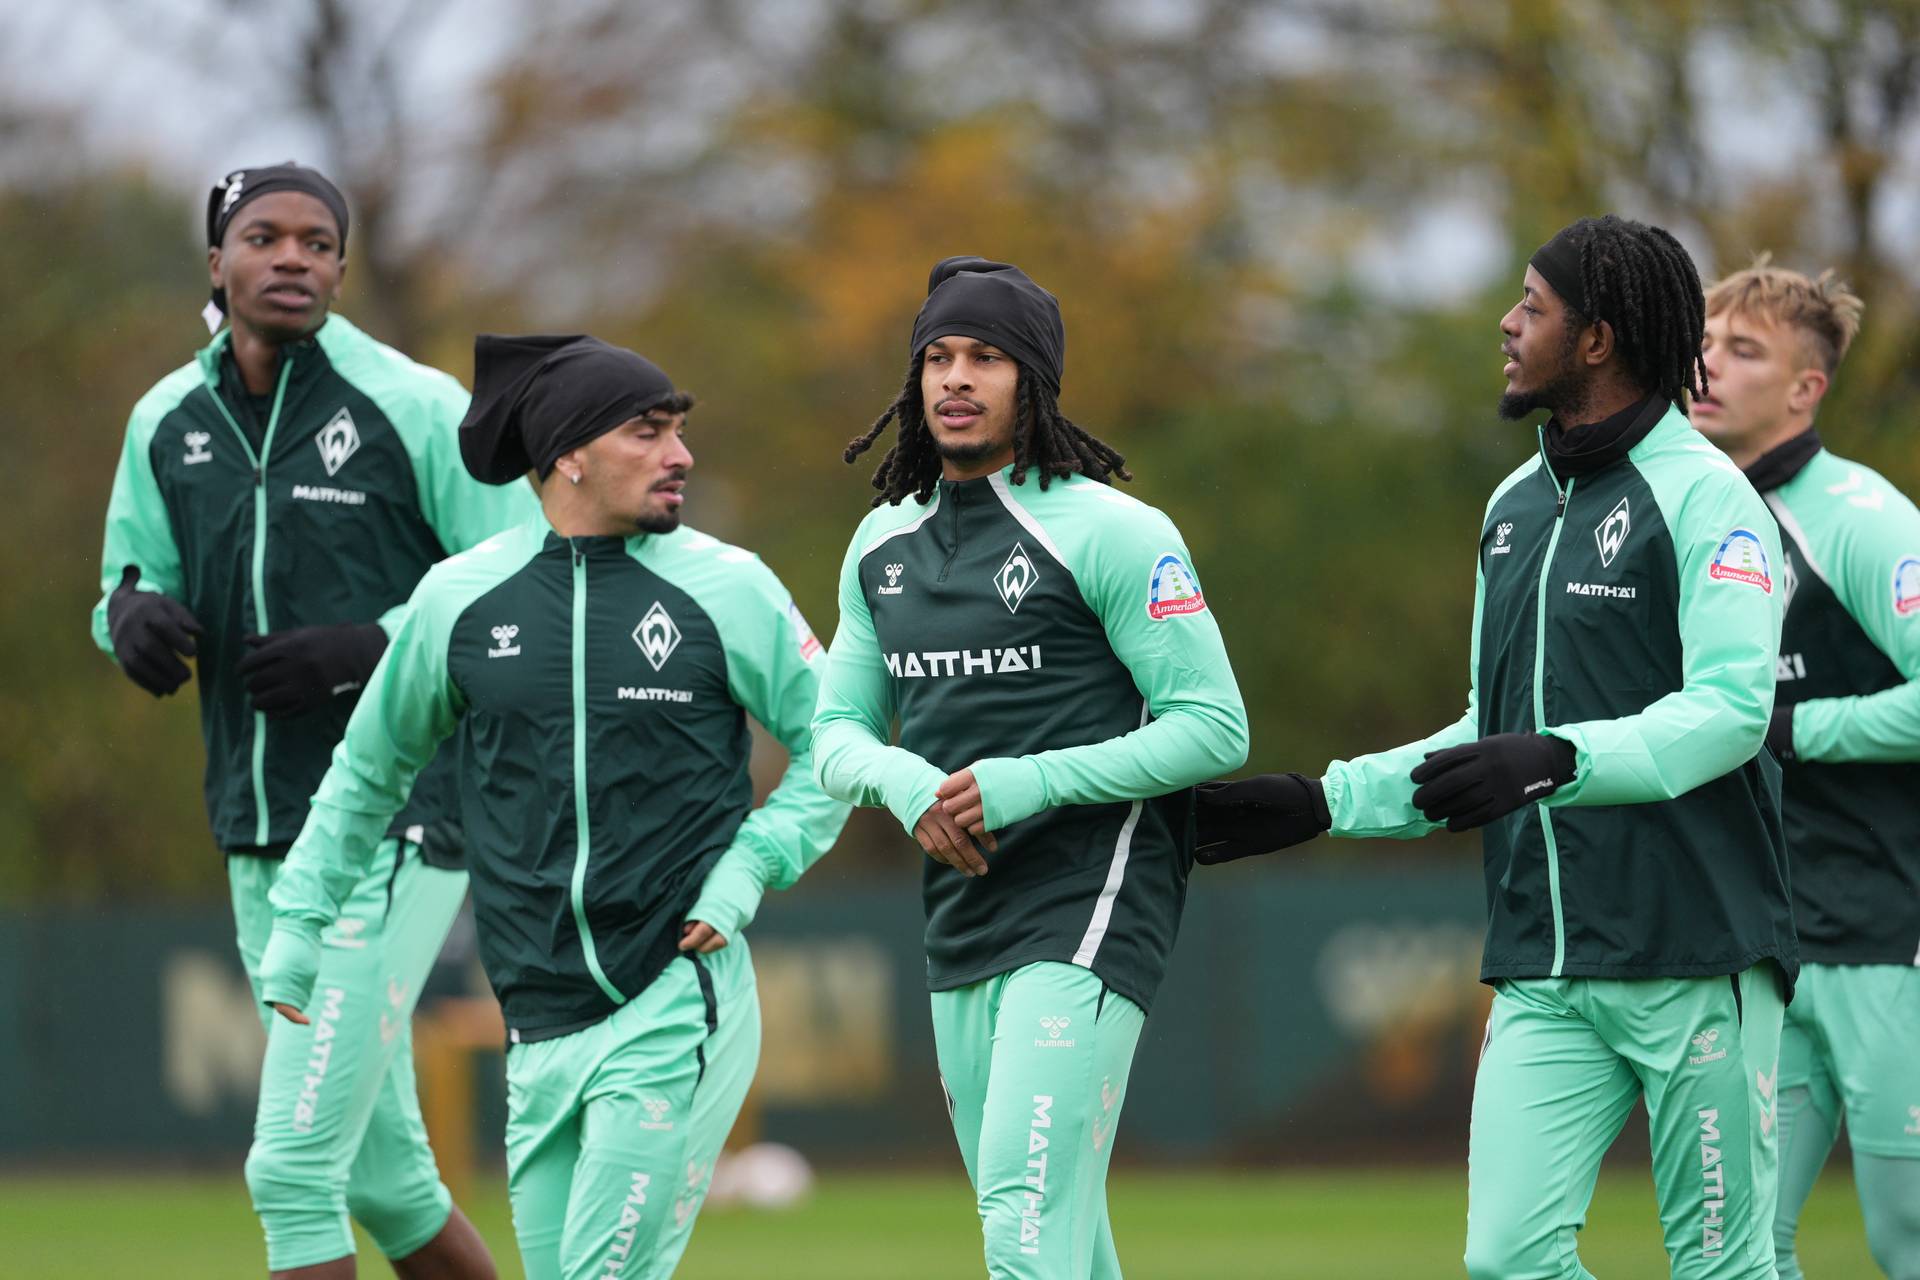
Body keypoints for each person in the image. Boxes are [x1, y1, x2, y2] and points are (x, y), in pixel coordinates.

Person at [1196, 216, 1797, 1279]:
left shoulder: (1711, 498)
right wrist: (1323, 799)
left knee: (1727, 1268)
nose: (1508, 323)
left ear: (1600, 336)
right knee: (1507, 1259)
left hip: (1697, 954)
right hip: (1543, 965)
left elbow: (1732, 709)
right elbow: (1490, 729)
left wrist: (1559, 756)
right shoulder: (1513, 506)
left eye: (1533, 305)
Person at [257, 333, 849, 1280]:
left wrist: (752, 865)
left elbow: (840, 744)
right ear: (566, 453)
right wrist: (303, 916)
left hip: (669, 1003)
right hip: (535, 1030)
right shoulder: (457, 599)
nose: (681, 456)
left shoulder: (730, 586)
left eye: (680, 432)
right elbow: (367, 772)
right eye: (648, 432)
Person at [92, 162, 527, 1278]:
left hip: (396, 822)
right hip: (253, 826)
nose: (294, 257)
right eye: (265, 235)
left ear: (340, 265)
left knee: (290, 1169)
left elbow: (522, 577)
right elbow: (125, 578)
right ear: (216, 262)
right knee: (387, 1181)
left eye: (319, 241)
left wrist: (371, 646)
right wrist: (129, 616)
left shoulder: (417, 406)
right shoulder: (165, 420)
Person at [812, 256, 1249, 1279]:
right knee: (1059, 1232)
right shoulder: (880, 543)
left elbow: (1214, 727)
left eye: (986, 357)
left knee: (1020, 1218)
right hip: (962, 903)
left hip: (1093, 892)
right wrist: (908, 784)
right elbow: (834, 734)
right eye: (938, 356)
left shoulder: (1114, 529)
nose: (955, 379)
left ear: (1035, 380)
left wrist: (1029, 781)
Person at [1693, 258, 1920, 1280]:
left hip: (1891, 938)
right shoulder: (1688, 519)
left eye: (1744, 351)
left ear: (1805, 389)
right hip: (1767, 947)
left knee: (1904, 1234)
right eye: (1704, 344)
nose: (1710, 366)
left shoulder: (1864, 519)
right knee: (1739, 1246)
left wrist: (1784, 728)